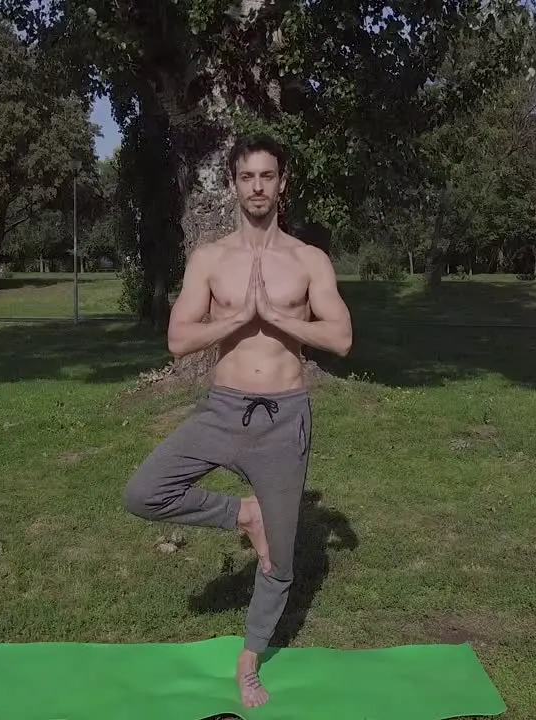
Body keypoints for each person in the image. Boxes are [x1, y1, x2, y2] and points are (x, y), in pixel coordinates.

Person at [122, 133, 353, 708]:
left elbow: (341, 338)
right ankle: (241, 514)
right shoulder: (210, 259)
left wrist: (275, 317)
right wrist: (237, 320)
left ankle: (249, 660)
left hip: (284, 417)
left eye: (267, 176)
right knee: (144, 492)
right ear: (233, 184)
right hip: (222, 410)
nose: (257, 187)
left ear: (283, 183)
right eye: (247, 177)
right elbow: (178, 339)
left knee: (279, 557)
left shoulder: (308, 260)